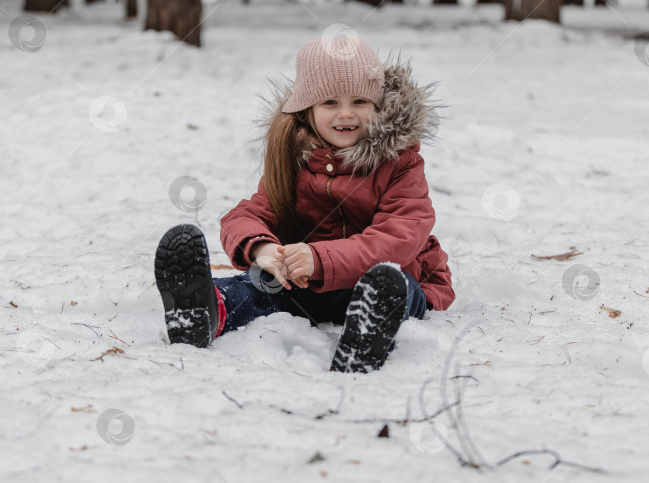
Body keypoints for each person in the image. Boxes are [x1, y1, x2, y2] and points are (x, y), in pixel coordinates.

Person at [154, 34, 454, 373]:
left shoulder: (400, 163)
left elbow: (398, 238)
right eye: (329, 102)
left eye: (360, 101)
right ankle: (205, 311)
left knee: (393, 285)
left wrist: (321, 259)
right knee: (259, 286)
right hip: (307, 280)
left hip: (392, 276)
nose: (346, 114)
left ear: (379, 105)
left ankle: (367, 332)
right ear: (307, 109)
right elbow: (248, 214)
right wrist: (263, 250)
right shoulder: (297, 160)